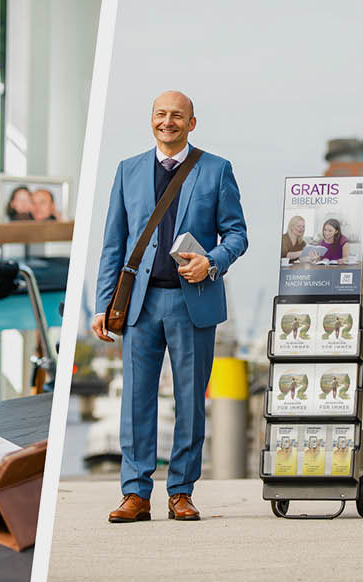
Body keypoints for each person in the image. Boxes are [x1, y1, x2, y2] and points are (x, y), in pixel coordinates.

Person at [91, 90, 247, 523]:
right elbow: (113, 245)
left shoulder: (217, 170)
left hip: (191, 302)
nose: (168, 121)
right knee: (135, 401)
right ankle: (135, 494)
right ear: (151, 120)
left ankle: (181, 491)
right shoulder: (127, 171)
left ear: (192, 123)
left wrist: (212, 261)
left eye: (177, 115)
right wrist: (103, 304)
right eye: (160, 114)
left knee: (191, 401)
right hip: (139, 304)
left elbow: (237, 234)